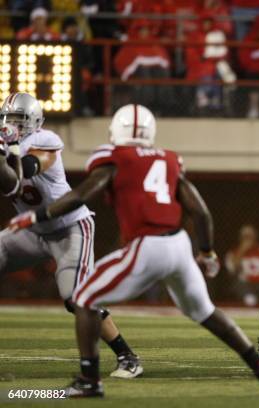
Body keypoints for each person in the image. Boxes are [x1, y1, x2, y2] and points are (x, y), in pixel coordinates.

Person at [8, 104, 259, 397]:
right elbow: (201, 212)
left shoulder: (114, 157)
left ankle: (89, 379)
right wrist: (206, 252)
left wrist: (37, 216)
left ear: (116, 130)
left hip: (148, 245)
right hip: (179, 245)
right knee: (206, 312)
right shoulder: (168, 159)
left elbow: (81, 195)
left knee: (83, 298)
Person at [0, 92, 142, 380]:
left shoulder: (46, 140)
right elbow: (8, 186)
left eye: (18, 120)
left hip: (69, 227)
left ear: (34, 122)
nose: (11, 126)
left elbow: (25, 170)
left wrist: (11, 149)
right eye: (8, 120)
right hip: (32, 229)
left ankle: (128, 357)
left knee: (75, 297)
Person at [225, 224, 259, 306]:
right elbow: (233, 269)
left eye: (250, 236)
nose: (248, 239)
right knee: (246, 294)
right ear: (240, 237)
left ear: (255, 237)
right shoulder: (233, 253)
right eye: (245, 236)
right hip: (246, 284)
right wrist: (242, 251)